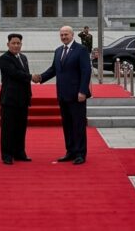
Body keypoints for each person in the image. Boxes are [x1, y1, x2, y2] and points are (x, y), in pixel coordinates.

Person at [33, 26, 91, 164]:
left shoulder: (81, 50)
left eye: (66, 34)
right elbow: (54, 69)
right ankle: (70, 151)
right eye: (61, 35)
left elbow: (86, 71)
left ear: (72, 35)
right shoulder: (58, 51)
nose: (64, 37)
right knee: (67, 125)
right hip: (63, 95)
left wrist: (83, 91)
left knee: (78, 125)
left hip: (77, 95)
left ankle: (80, 154)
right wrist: (41, 78)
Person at [0, 33, 32, 164]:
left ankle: (20, 153)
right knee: (8, 128)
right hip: (9, 99)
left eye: (18, 43)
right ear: (8, 44)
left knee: (21, 127)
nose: (16, 45)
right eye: (14, 43)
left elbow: (24, 78)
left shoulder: (23, 57)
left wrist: (29, 94)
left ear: (21, 44)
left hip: (23, 99)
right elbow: (14, 74)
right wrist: (31, 77)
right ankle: (7, 155)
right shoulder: (4, 58)